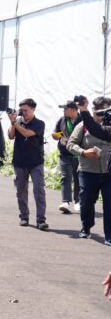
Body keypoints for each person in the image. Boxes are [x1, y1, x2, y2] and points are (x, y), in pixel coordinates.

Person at [65, 98, 111, 244]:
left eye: (104, 111)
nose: (100, 115)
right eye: (97, 111)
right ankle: (86, 228)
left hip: (108, 172)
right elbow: (70, 144)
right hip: (87, 171)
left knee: (109, 205)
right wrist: (83, 152)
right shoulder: (83, 125)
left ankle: (109, 235)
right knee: (86, 202)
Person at [8, 98, 47, 230]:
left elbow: (27, 133)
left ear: (33, 109)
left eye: (26, 110)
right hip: (19, 162)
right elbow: (11, 136)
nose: (23, 113)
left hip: (36, 162)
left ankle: (41, 220)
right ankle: (23, 217)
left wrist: (15, 122)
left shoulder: (39, 123)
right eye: (21, 110)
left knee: (39, 190)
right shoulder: (18, 121)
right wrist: (13, 123)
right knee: (21, 191)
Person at [53, 100, 81, 214]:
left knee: (79, 179)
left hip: (80, 155)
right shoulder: (62, 119)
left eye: (65, 109)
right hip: (64, 154)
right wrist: (60, 137)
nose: (63, 111)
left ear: (73, 110)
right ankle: (66, 202)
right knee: (66, 178)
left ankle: (78, 201)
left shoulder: (83, 120)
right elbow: (55, 134)